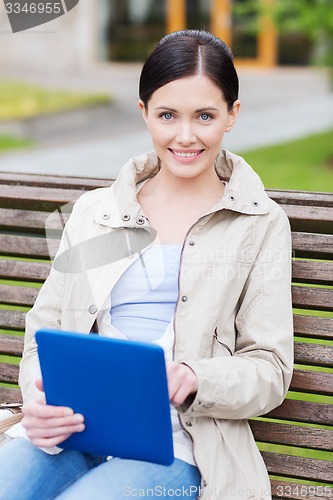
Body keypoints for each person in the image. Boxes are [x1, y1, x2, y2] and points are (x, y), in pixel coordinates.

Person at [0, 30, 293, 500]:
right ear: (144, 114)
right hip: (73, 431)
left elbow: (271, 368)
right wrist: (38, 404)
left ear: (232, 115)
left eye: (205, 116)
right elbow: (44, 331)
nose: (185, 135)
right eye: (167, 115)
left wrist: (197, 377)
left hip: (180, 449)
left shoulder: (259, 223)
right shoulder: (95, 212)